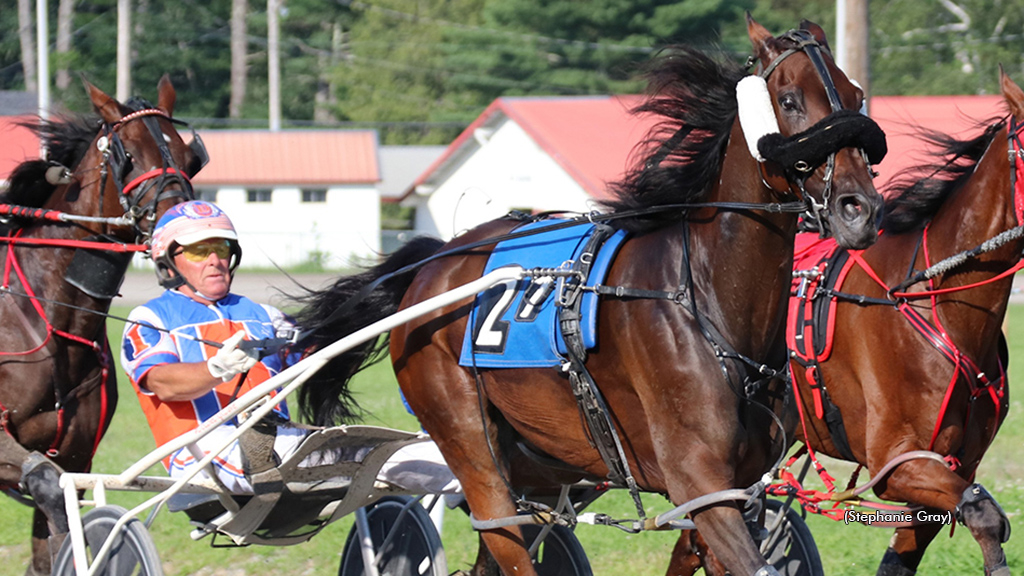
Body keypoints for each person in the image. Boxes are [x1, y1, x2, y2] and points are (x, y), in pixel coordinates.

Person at [121, 200, 458, 495]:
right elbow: (161, 383)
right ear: (168, 261)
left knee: (420, 457)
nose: (214, 260)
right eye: (198, 251)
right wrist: (216, 368)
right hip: (202, 453)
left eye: (221, 249)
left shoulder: (262, 315)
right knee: (309, 451)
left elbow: (316, 350)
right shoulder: (150, 317)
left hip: (283, 443)